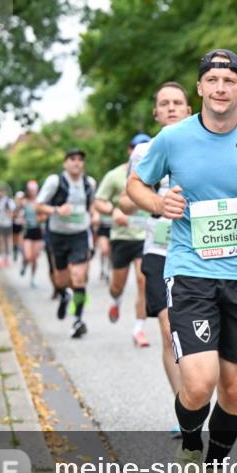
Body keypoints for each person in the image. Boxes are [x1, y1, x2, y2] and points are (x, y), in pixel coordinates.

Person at [128, 50, 237, 473]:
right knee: (199, 383)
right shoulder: (172, 138)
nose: (220, 87)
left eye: (229, 80)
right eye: (212, 79)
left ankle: (216, 472)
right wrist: (157, 204)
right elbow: (136, 185)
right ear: (199, 88)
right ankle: (188, 449)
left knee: (235, 390)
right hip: (191, 271)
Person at [120, 81, 193, 431]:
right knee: (167, 330)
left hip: (198, 252)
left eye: (177, 102)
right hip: (158, 251)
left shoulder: (203, 146)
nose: (171, 108)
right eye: (164, 103)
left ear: (189, 109)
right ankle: (185, 411)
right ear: (156, 112)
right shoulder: (143, 152)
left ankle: (199, 391)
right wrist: (150, 203)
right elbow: (125, 198)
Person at [96, 133, 153, 347]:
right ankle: (116, 300)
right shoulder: (114, 176)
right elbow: (98, 202)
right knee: (117, 285)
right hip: (121, 238)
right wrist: (113, 212)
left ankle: (139, 329)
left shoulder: (155, 172)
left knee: (143, 281)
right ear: (130, 150)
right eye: (137, 147)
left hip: (145, 237)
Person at [36, 150, 98, 338]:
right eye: (72, 159)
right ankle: (64, 295)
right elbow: (38, 205)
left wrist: (94, 215)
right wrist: (57, 210)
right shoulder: (55, 181)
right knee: (61, 280)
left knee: (79, 277)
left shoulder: (90, 183)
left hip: (79, 234)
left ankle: (78, 319)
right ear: (65, 163)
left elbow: (91, 205)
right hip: (58, 235)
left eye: (80, 160)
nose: (76, 163)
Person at [20, 180, 45, 288]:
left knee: (34, 257)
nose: (33, 192)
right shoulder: (24, 202)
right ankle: (24, 265)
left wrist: (40, 219)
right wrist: (22, 220)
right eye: (31, 190)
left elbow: (45, 216)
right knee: (28, 256)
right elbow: (18, 214)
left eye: (34, 190)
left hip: (38, 231)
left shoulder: (41, 202)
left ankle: (33, 278)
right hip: (27, 231)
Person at [11, 190, 25, 264]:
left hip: (22, 225)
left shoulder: (25, 206)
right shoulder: (13, 206)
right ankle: (15, 251)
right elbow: (11, 214)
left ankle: (23, 253)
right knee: (15, 239)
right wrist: (17, 215)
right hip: (15, 224)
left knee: (21, 239)